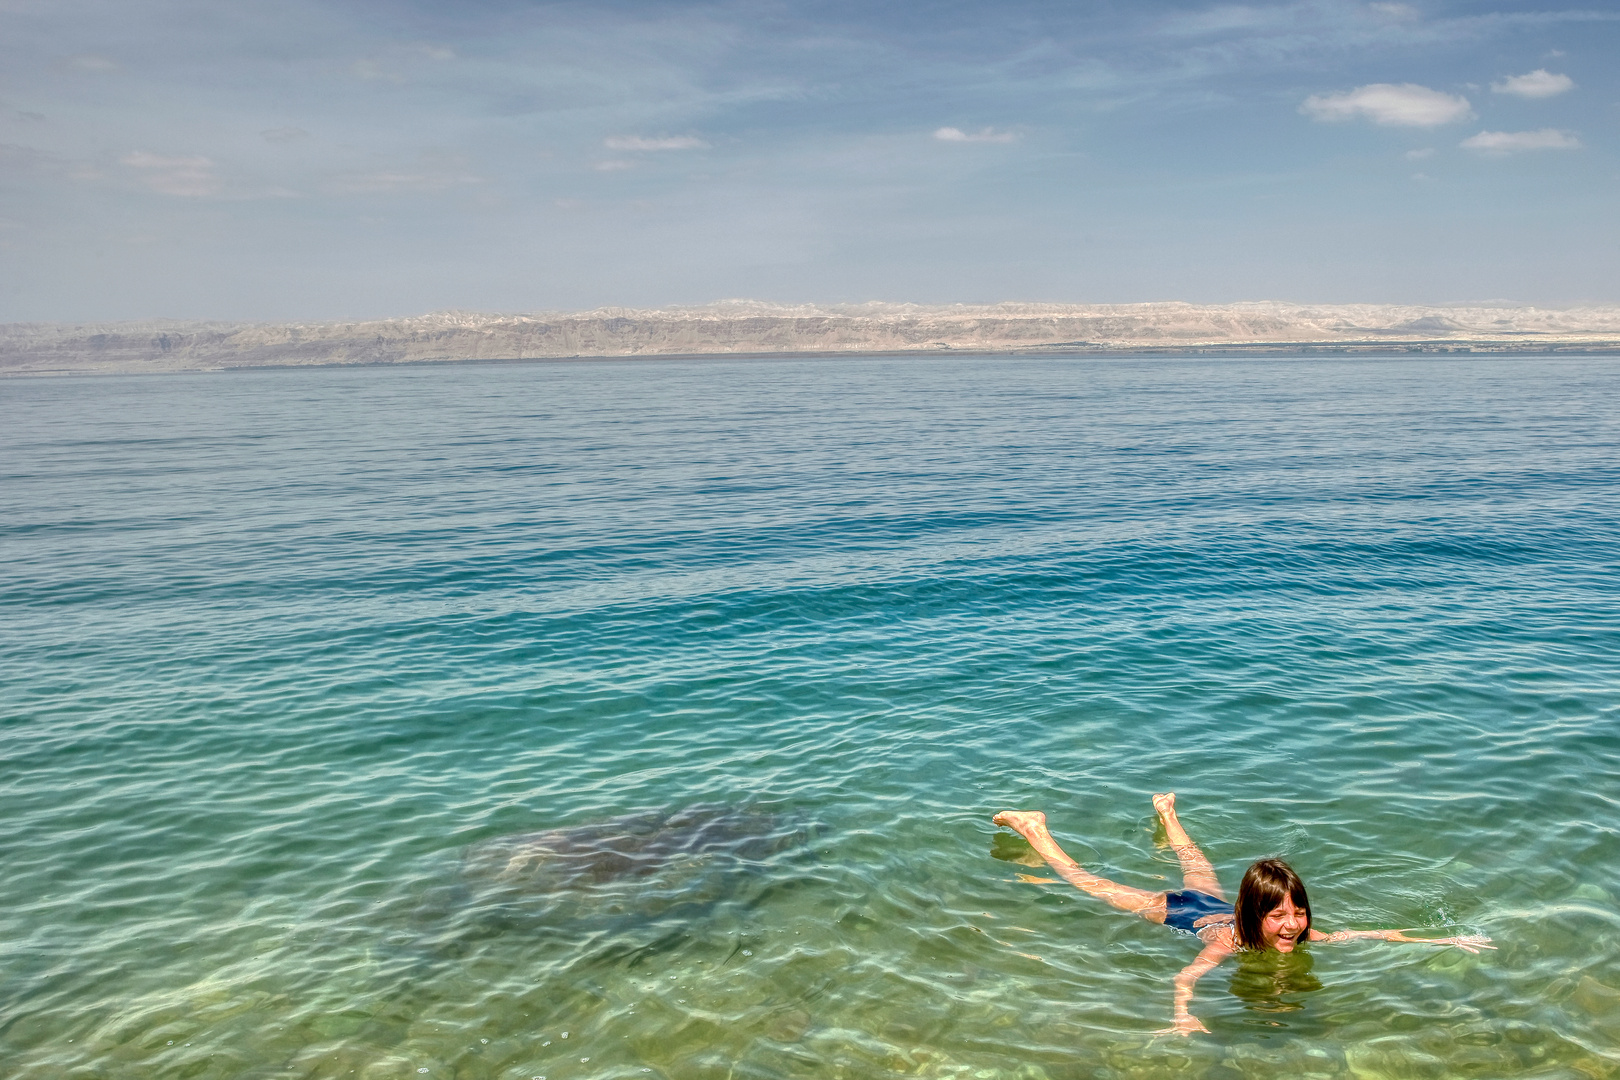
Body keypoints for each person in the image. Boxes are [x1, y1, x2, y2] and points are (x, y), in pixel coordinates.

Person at [992, 795, 1494, 1036]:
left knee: (1198, 867)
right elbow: (1185, 976)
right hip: (1179, 914)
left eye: (1298, 913)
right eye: (1280, 916)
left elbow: (1370, 933)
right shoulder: (1227, 945)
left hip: (1217, 907)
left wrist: (1444, 942)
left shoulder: (1299, 935)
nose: (1293, 925)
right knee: (1090, 884)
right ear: (1255, 916)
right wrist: (1182, 1017)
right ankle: (1033, 828)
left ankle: (1167, 814)